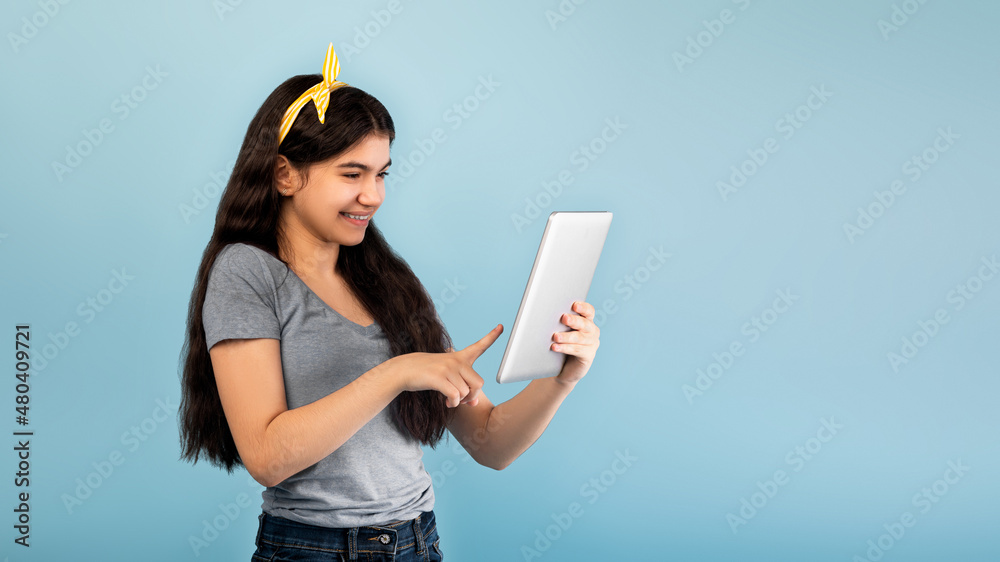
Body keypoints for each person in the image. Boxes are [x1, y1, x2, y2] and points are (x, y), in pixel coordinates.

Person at [178, 43, 601, 561]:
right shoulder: (247, 271)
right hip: (313, 549)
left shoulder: (385, 280)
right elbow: (266, 456)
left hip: (417, 542)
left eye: (381, 174)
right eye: (351, 174)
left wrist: (561, 378)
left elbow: (491, 445)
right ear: (285, 174)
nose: (373, 195)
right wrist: (397, 373)